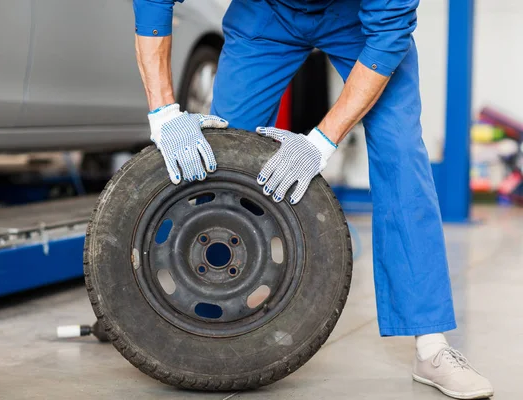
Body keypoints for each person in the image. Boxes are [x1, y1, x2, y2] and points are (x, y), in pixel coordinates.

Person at [132, 0, 493, 398]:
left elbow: (389, 35)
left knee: (400, 149)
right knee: (223, 156)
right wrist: (163, 112)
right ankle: (189, 315)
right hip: (265, 12)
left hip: (358, 20)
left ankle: (431, 346)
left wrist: (321, 141)